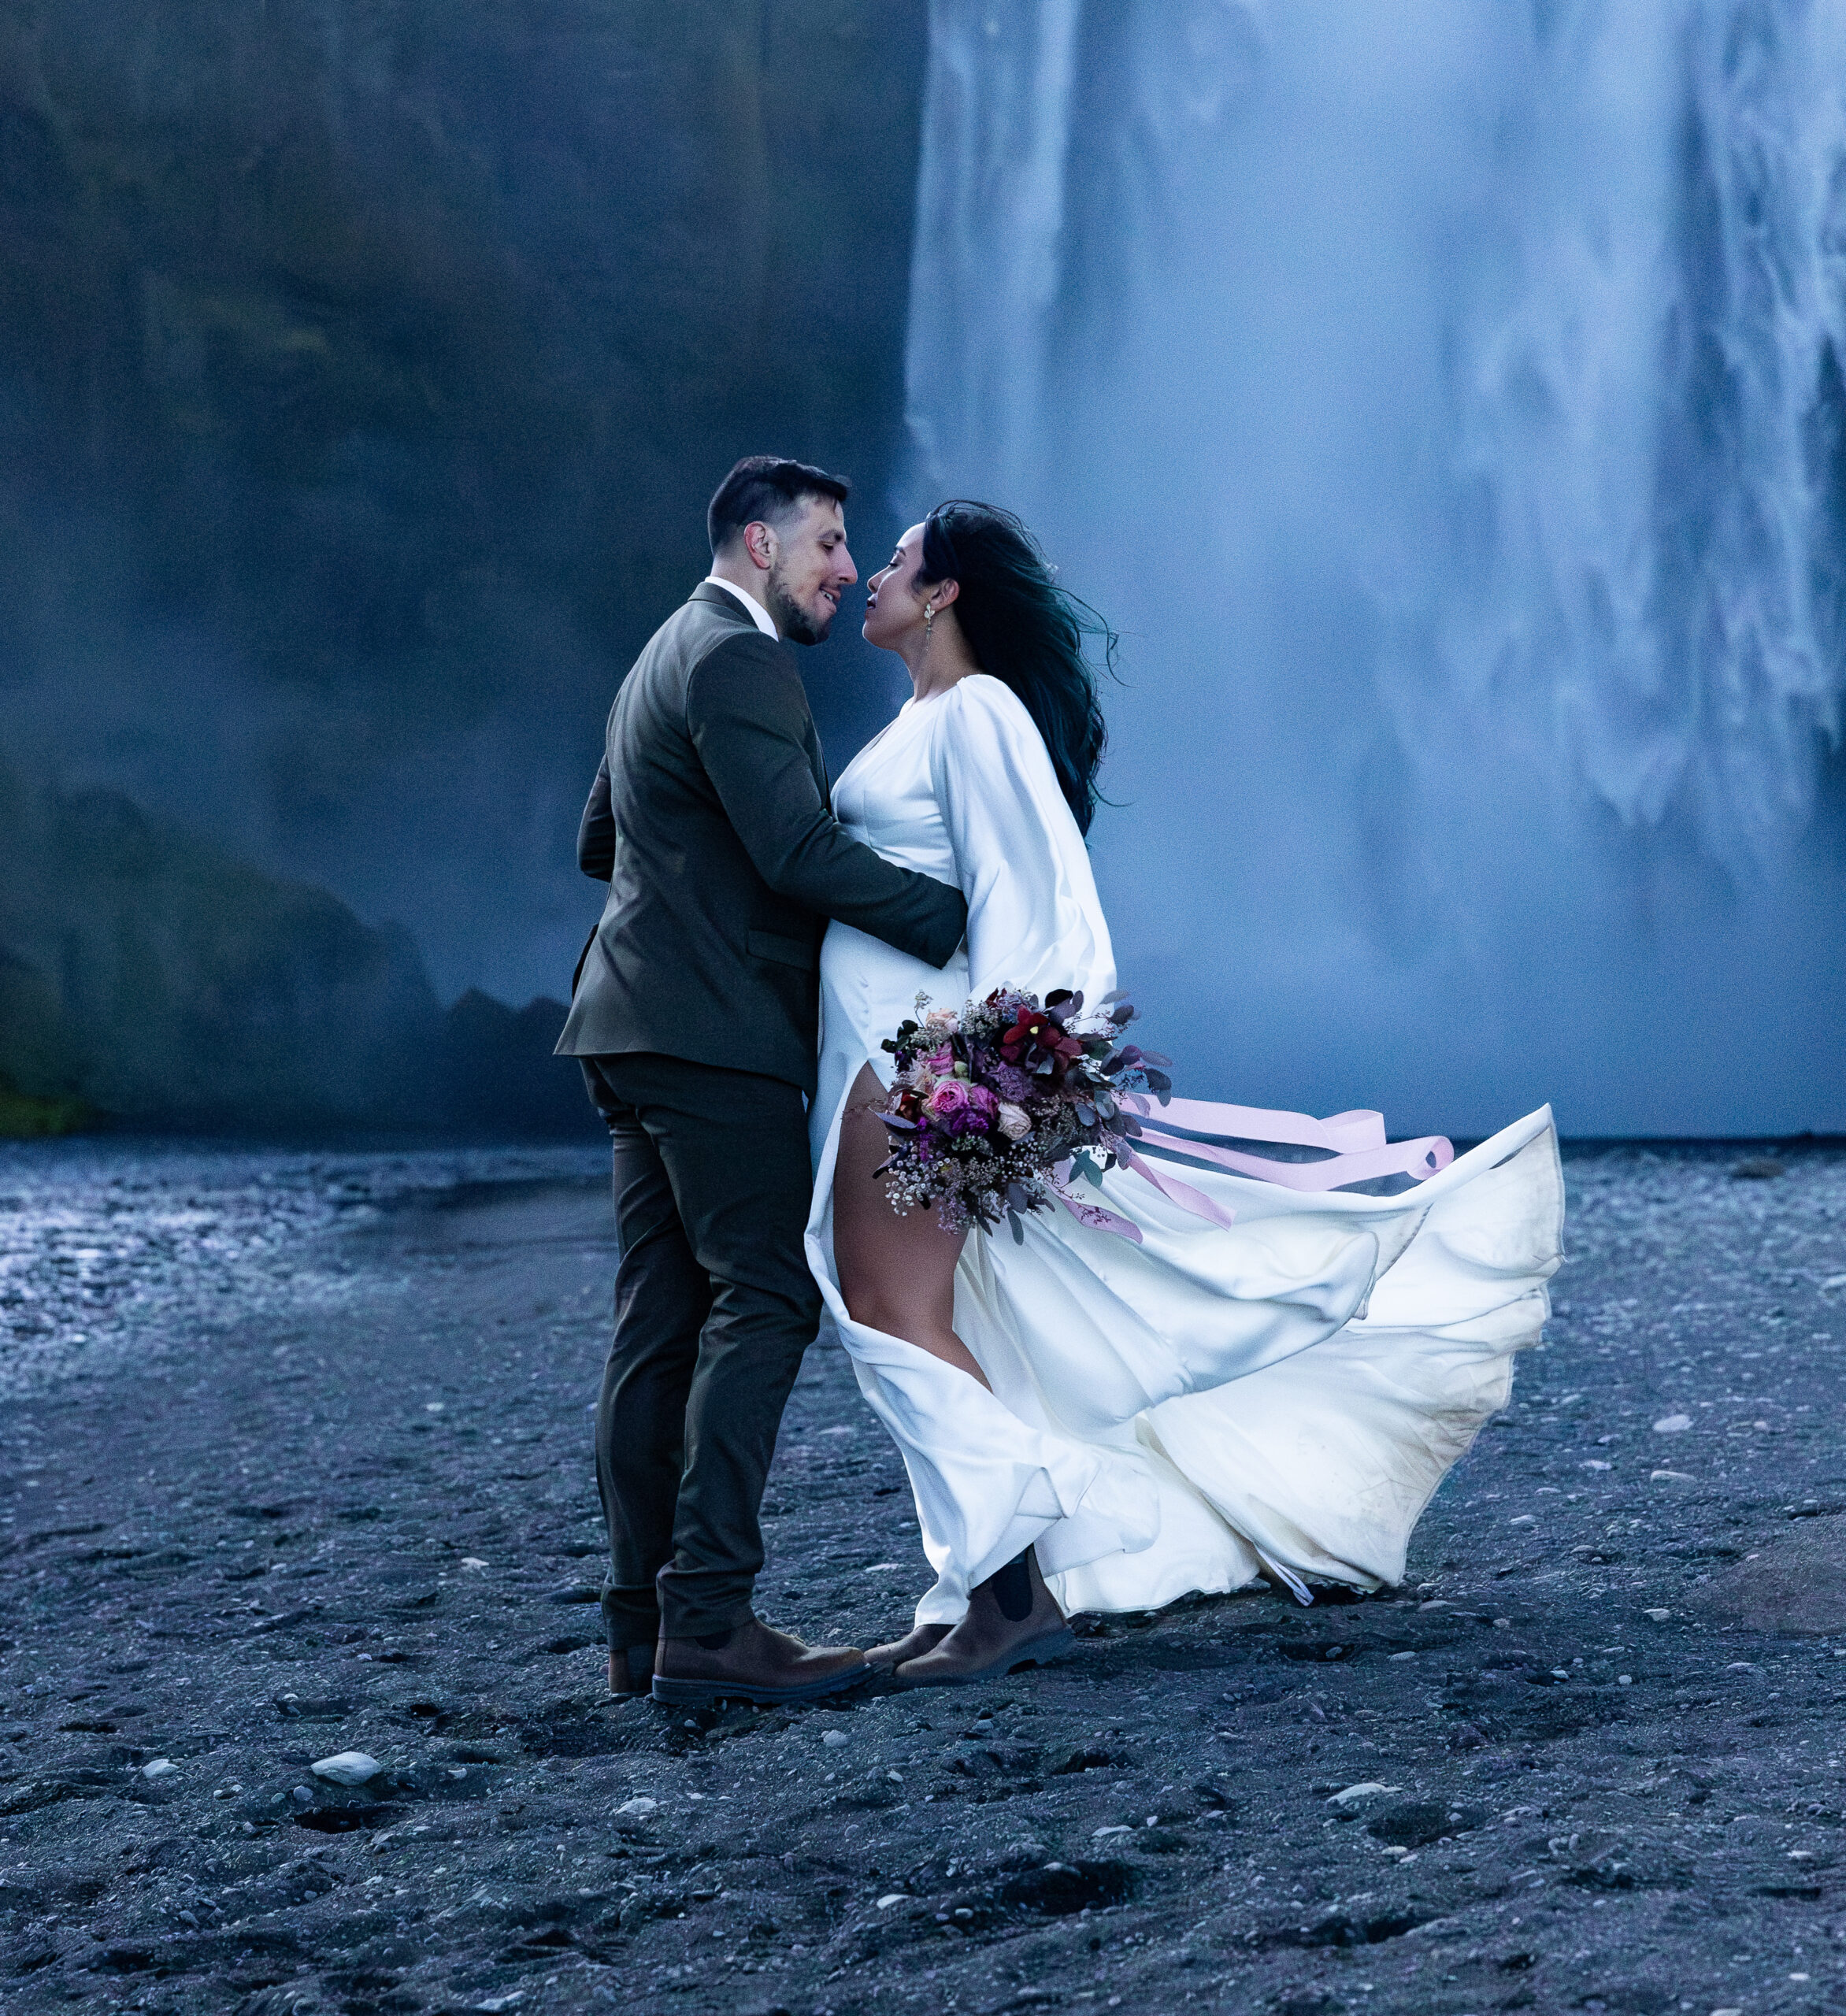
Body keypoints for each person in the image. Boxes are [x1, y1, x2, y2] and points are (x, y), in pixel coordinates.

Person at [805, 501, 1564, 1687]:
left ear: (947, 592)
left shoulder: (980, 712)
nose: (869, 578)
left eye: (895, 562)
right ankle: (972, 1588)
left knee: (892, 1316)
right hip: (869, 1047)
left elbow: (1040, 895)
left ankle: (1008, 1599)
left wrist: (990, 1073)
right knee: (921, 1319)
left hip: (918, 1062)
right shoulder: (916, 721)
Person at [557, 457, 969, 1707]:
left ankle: (644, 1633)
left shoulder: (661, 653)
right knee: (773, 1297)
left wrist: (686, 882)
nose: (847, 571)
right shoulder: (737, 659)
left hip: (629, 1023)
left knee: (662, 1323)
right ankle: (712, 1623)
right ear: (757, 544)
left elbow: (598, 842)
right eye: (831, 545)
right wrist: (955, 919)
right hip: (707, 1030)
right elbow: (793, 851)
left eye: (853, 551)